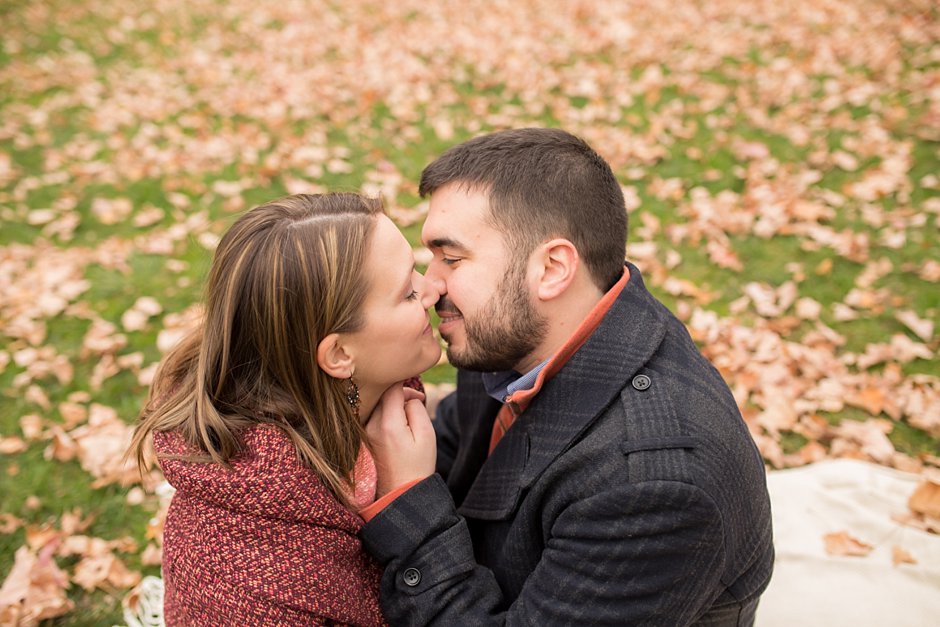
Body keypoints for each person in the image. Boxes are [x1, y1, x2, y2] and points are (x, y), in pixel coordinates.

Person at [360, 128, 775, 625]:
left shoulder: (651, 488)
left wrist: (408, 504)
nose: (430, 286)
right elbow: (457, 452)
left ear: (553, 269)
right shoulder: (515, 333)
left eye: (451, 258)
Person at [128, 193, 442, 626]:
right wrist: (411, 507)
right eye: (408, 291)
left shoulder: (365, 405)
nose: (434, 288)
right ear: (338, 355)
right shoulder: (252, 588)